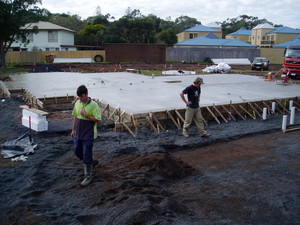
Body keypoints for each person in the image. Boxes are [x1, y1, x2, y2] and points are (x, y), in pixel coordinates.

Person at [71, 85, 101, 186]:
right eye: (79, 97)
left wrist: (86, 115)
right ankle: (90, 162)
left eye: (82, 97)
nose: (80, 99)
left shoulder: (94, 105)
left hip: (89, 133)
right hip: (78, 132)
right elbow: (75, 116)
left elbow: (98, 119)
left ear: (87, 94)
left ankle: (88, 176)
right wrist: (73, 129)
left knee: (86, 153)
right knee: (76, 150)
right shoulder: (77, 103)